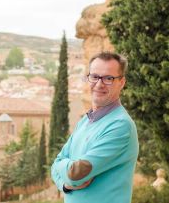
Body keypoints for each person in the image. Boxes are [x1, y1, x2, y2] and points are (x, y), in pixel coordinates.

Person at [51, 51, 139, 203]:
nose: (99, 84)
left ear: (122, 82)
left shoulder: (120, 125)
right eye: (94, 77)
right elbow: (55, 164)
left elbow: (76, 173)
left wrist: (64, 168)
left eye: (108, 78)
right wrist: (65, 185)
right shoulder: (85, 121)